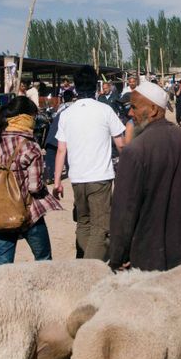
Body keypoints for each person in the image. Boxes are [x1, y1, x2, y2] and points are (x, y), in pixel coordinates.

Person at [109, 80, 181, 270]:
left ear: (153, 110)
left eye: (134, 107)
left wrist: (117, 256)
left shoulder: (135, 151)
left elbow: (124, 211)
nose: (130, 114)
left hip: (147, 258)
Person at [53, 66, 125, 260]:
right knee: (101, 228)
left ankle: (86, 262)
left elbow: (61, 149)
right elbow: (121, 144)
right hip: (100, 178)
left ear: (75, 87)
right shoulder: (105, 110)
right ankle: (89, 269)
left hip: (77, 179)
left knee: (83, 223)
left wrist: (57, 180)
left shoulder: (67, 114)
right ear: (96, 86)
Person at [0, 96, 61, 265]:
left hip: (2, 211)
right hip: (29, 213)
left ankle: (2, 291)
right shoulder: (30, 146)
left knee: (3, 264)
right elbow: (34, 187)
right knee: (43, 259)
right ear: (27, 118)